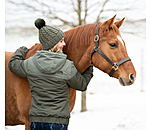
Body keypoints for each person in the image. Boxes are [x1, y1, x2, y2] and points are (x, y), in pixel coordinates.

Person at [8, 18, 93, 130]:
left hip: (36, 122)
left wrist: (24, 49)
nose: (64, 44)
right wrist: (89, 64)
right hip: (58, 122)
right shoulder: (67, 66)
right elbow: (82, 85)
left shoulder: (31, 63)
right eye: (61, 41)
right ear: (53, 44)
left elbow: (13, 64)